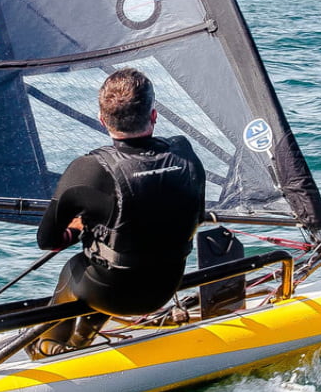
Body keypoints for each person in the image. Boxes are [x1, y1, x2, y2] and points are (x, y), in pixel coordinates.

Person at [28, 68, 206, 358]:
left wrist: (79, 227)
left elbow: (47, 240)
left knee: (76, 267)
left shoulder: (89, 169)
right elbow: (195, 217)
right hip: (166, 286)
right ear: (154, 115)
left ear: (102, 120)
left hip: (113, 292)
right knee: (115, 263)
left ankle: (46, 348)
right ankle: (81, 340)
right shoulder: (183, 153)